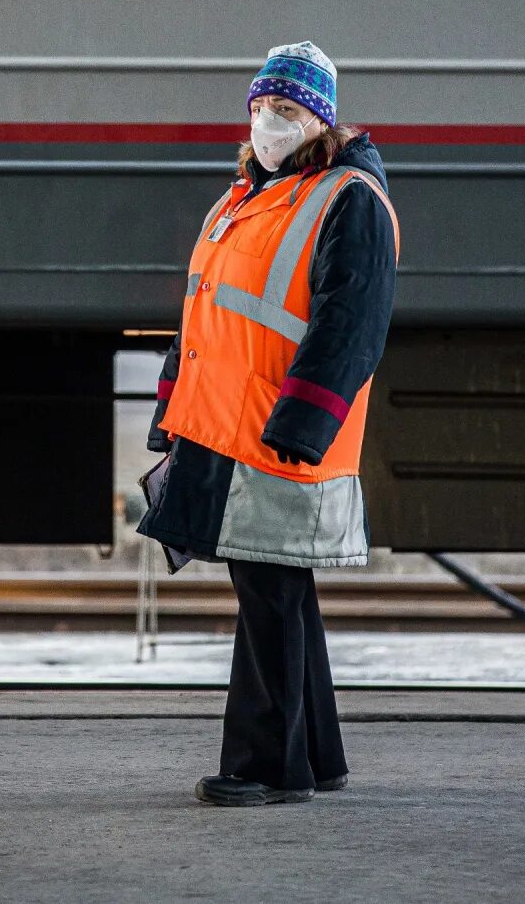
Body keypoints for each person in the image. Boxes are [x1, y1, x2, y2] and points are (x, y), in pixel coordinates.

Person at [135, 40, 399, 807]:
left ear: (319, 120)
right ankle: (316, 753)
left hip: (278, 432)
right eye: (258, 108)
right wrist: (170, 415)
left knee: (270, 592)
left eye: (284, 111)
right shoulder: (242, 198)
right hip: (224, 428)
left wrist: (306, 422)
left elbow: (351, 322)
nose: (267, 123)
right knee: (278, 586)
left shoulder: (348, 198)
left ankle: (265, 766)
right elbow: (203, 316)